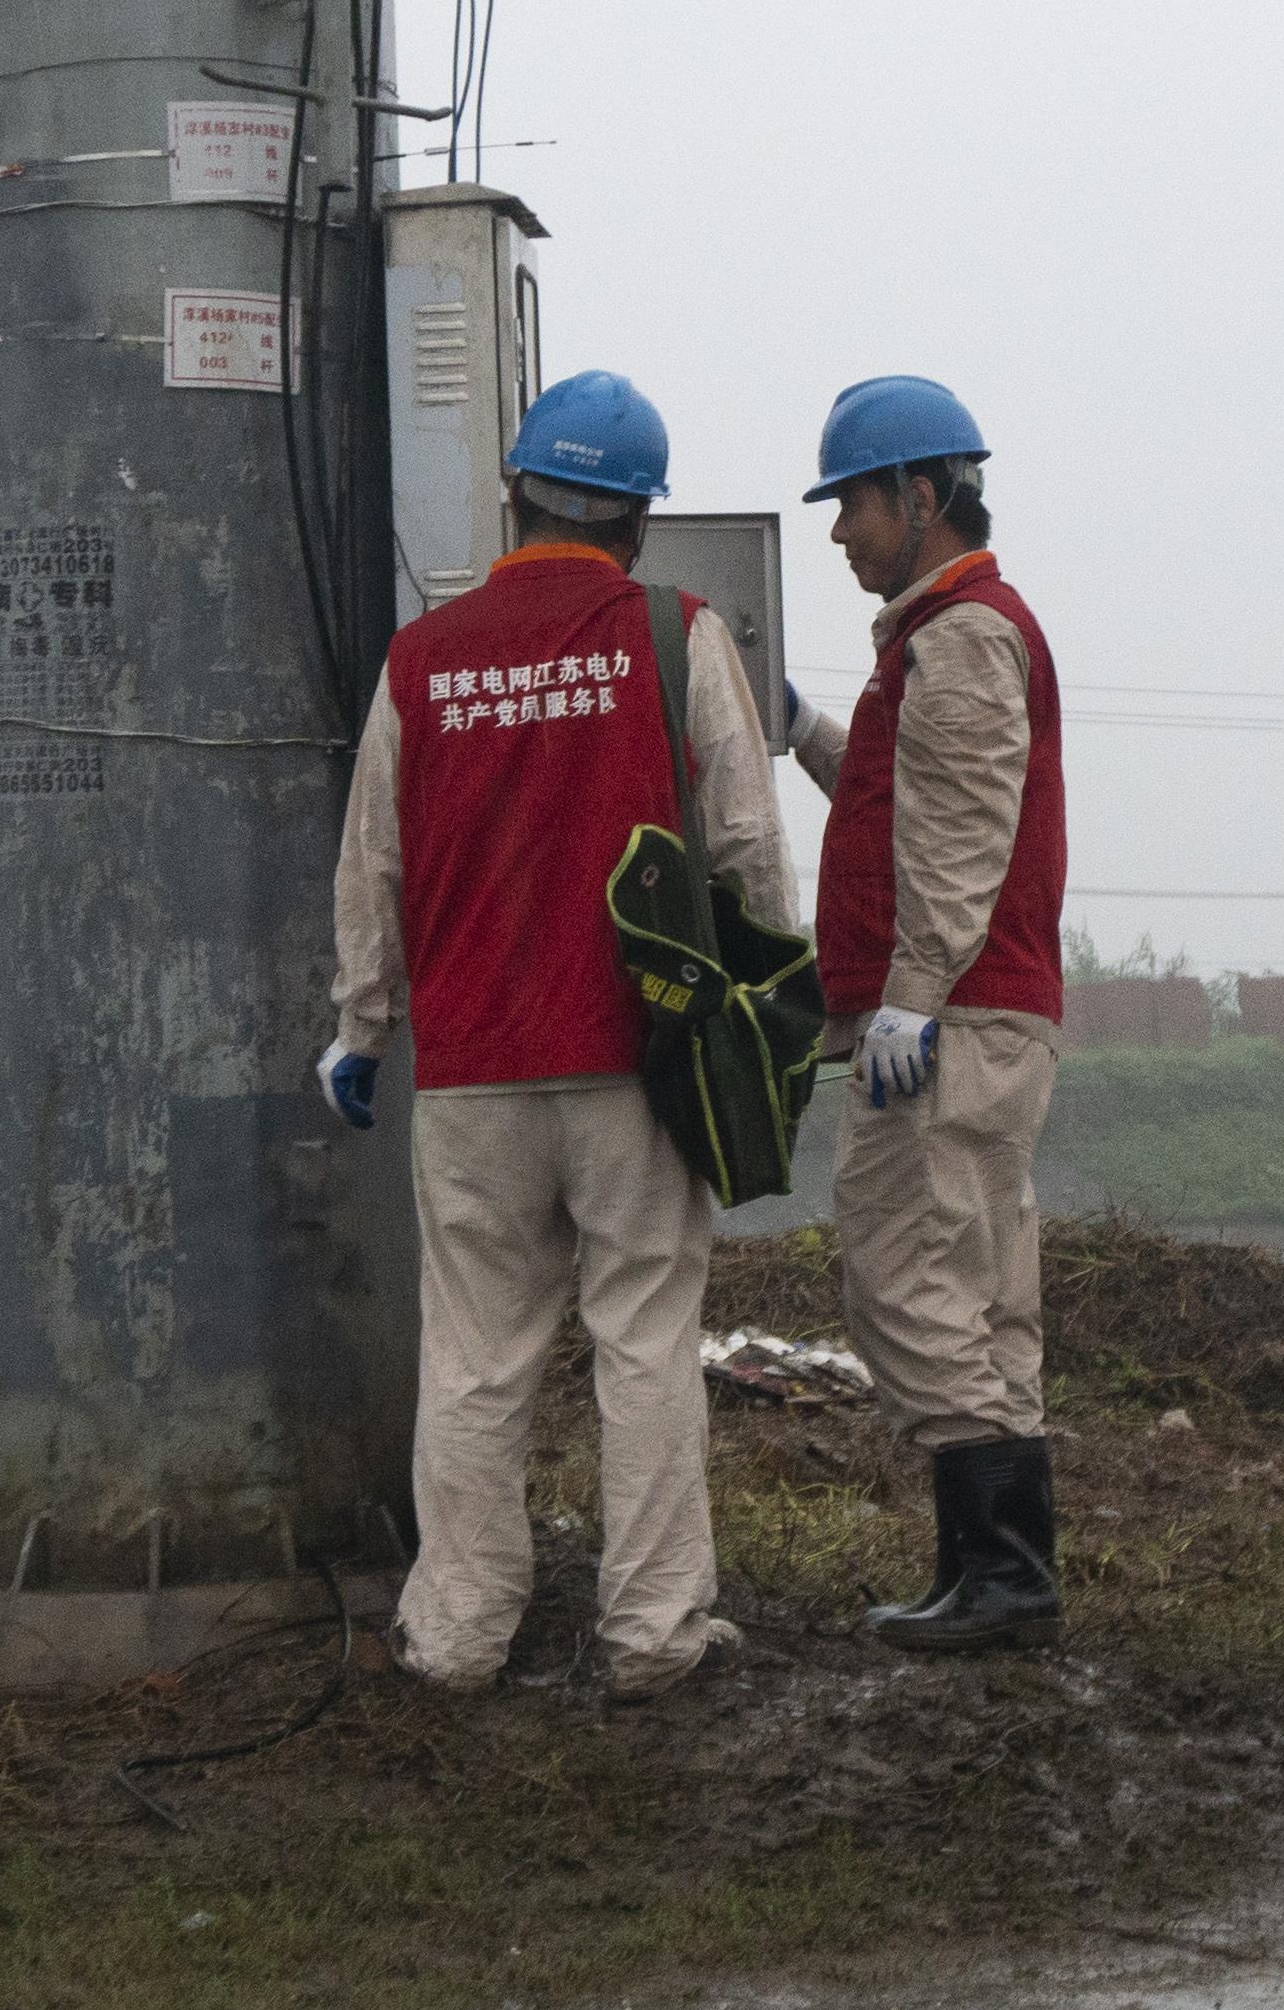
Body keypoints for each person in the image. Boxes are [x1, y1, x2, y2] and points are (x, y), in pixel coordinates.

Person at [323, 367, 801, 1700]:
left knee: (476, 1352)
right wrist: (759, 997)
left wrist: (363, 1026)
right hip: (634, 1064)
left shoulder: (420, 659)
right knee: (645, 1335)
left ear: (514, 494)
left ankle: (461, 1631)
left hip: (470, 1069)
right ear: (637, 520)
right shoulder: (676, 630)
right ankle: (652, 1633)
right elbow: (750, 843)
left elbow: (373, 859)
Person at [781, 375, 1070, 1655]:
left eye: (851, 502)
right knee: (984, 1291)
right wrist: (798, 731)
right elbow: (900, 799)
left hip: (945, 1026)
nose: (839, 531)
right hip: (986, 1015)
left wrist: (907, 1004)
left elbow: (957, 834)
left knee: (908, 1274)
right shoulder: (946, 638)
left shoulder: (957, 638)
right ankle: (994, 1577)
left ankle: (998, 1575)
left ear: (922, 496)